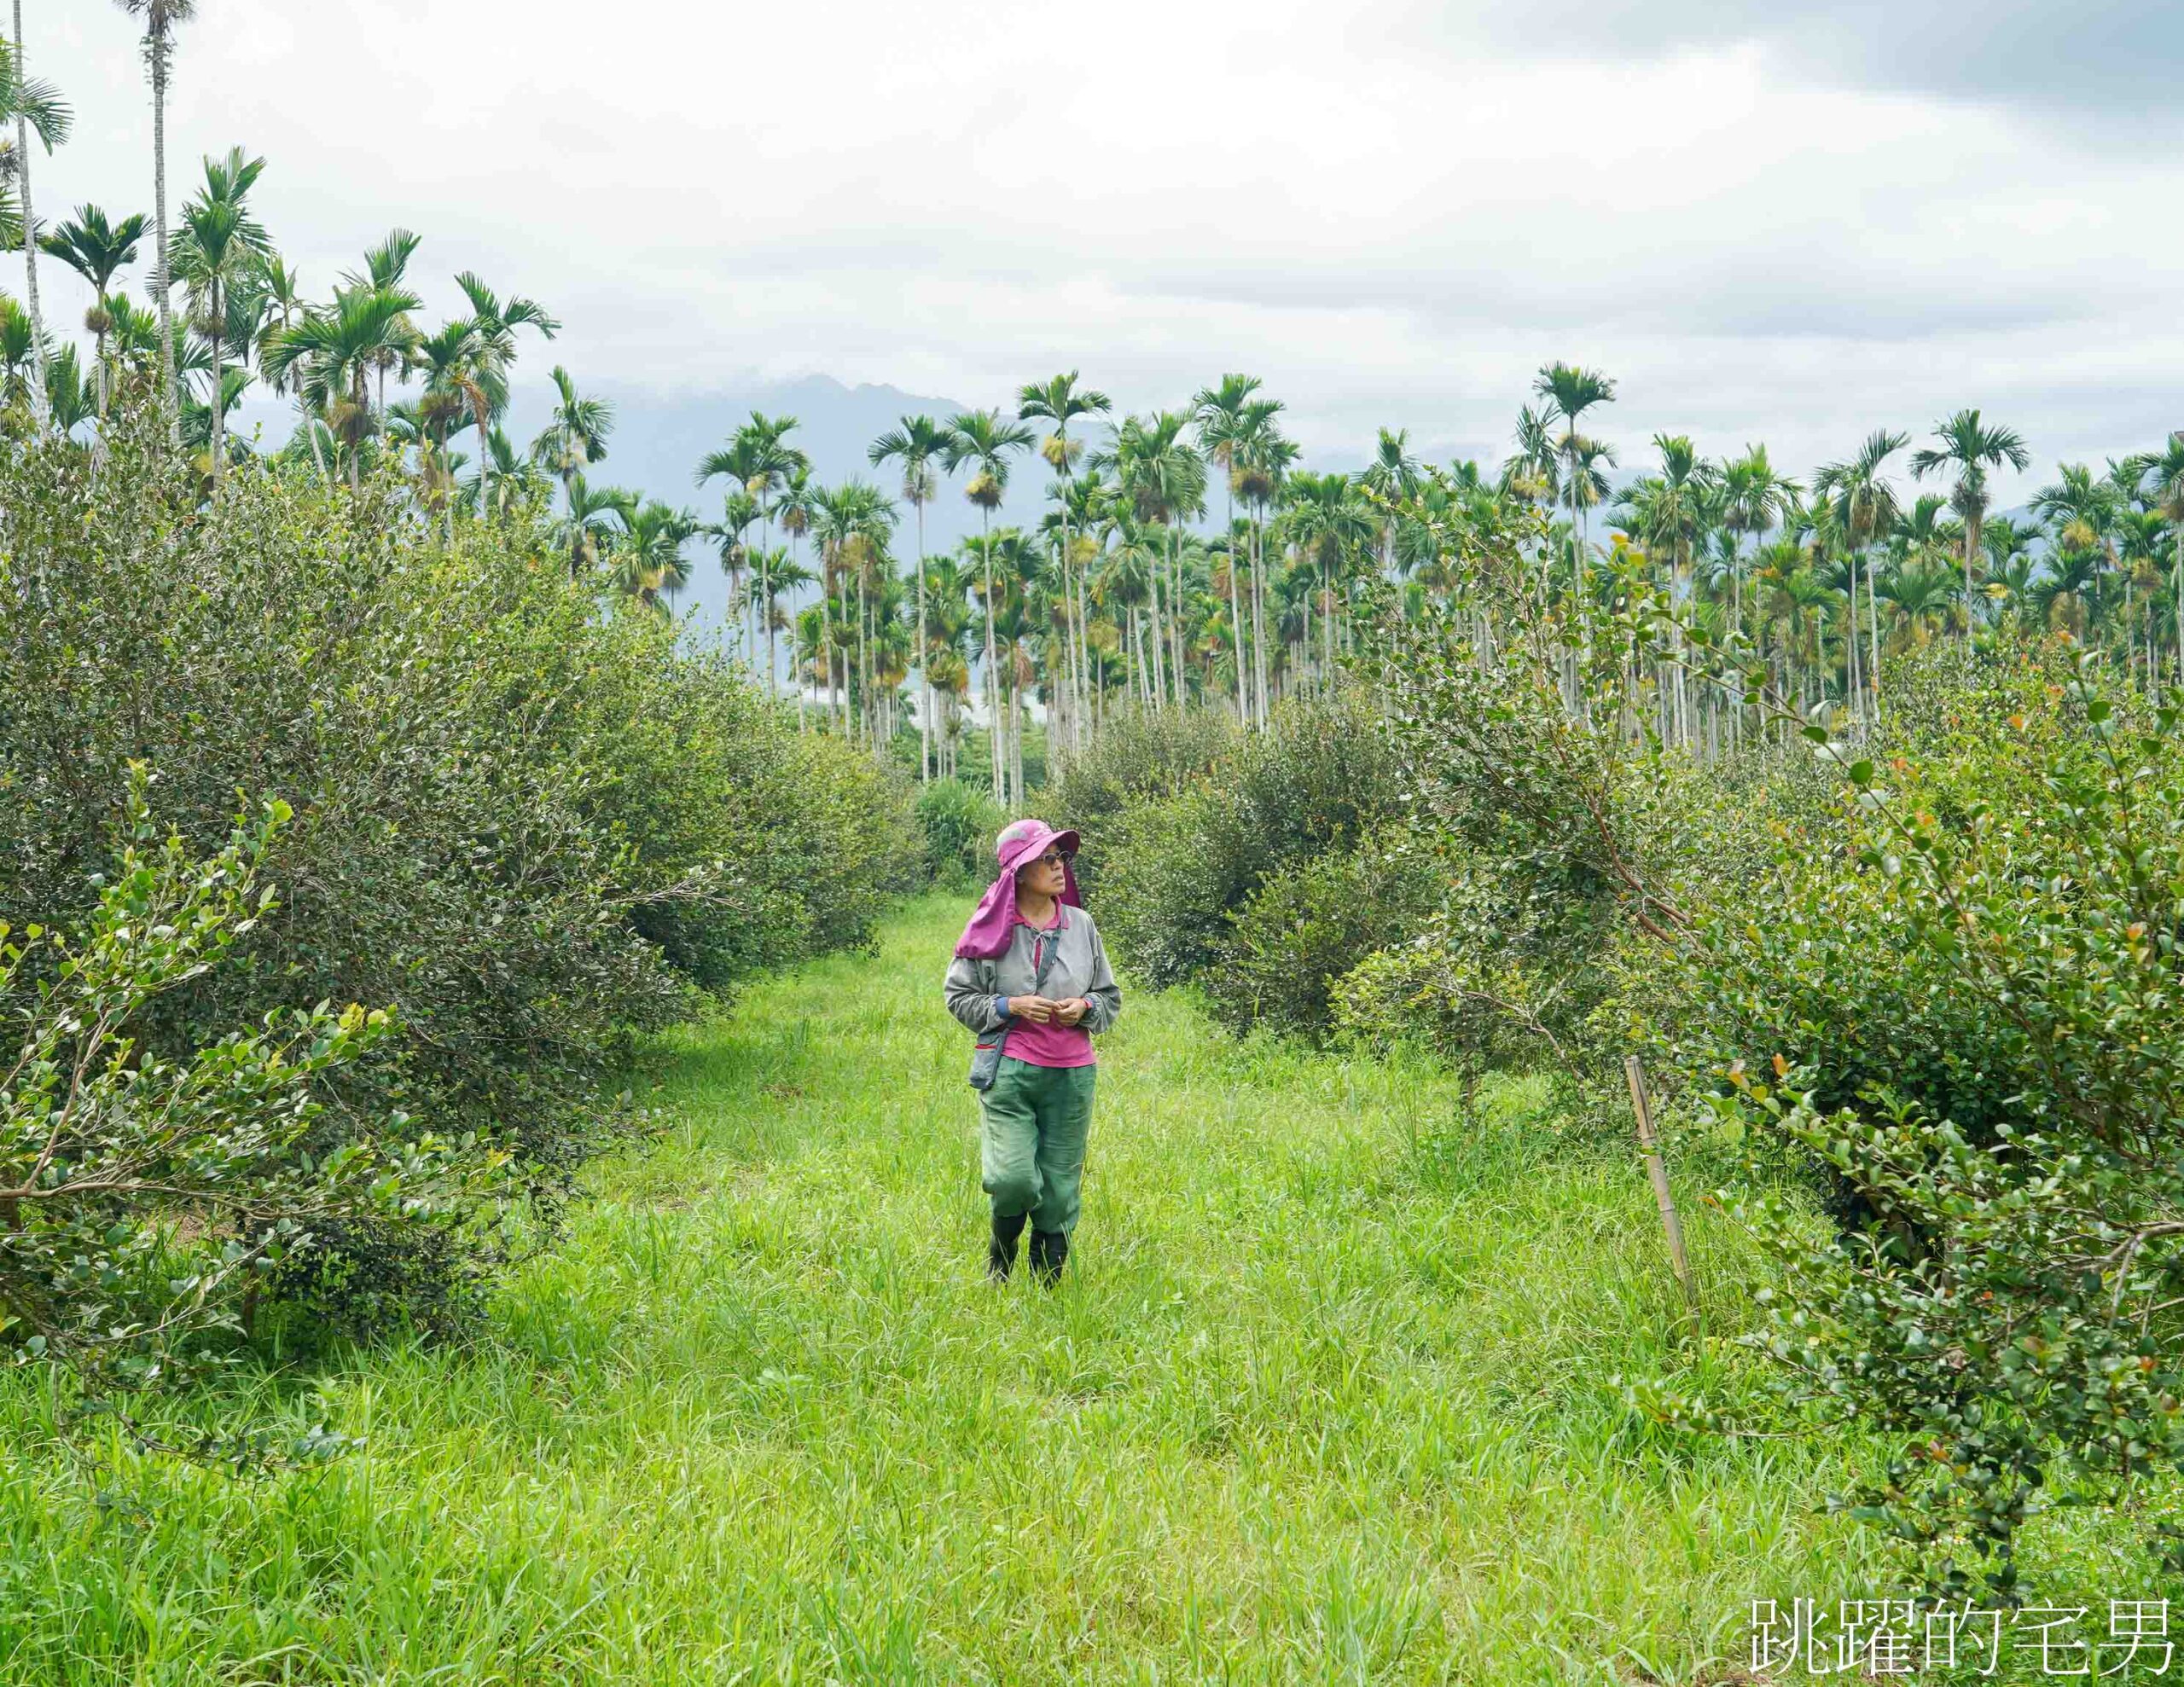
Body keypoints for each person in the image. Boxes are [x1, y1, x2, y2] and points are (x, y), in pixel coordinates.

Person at [943, 817, 1122, 1284]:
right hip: (1009, 1070)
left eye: (1061, 857)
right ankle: (999, 1263)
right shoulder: (988, 930)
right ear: (1018, 871)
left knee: (1061, 1184)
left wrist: (1083, 1007)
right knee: (1013, 1179)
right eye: (1047, 858)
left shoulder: (1081, 925)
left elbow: (1109, 997)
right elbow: (958, 997)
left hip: (1072, 1075)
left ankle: (1048, 1288)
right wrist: (1009, 1004)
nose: (1059, 866)